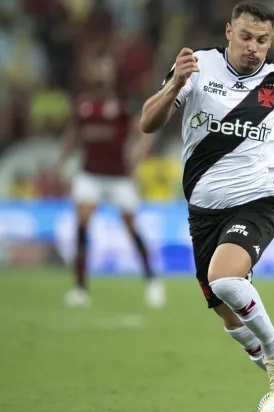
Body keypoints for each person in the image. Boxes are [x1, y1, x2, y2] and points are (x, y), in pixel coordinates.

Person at [138, 1, 274, 405]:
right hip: (204, 211)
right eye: (245, 37)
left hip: (257, 201)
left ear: (270, 40)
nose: (253, 47)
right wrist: (173, 85)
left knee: (226, 279)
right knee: (228, 316)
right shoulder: (198, 66)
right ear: (228, 32)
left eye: (262, 40)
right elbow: (147, 123)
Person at [56, 53, 164, 309]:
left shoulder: (123, 107)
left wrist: (139, 151)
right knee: (82, 225)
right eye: (97, 71)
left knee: (131, 227)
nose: (101, 76)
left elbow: (146, 130)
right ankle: (80, 289)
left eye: (105, 71)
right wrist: (61, 161)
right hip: (90, 174)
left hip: (119, 177)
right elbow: (73, 135)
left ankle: (152, 282)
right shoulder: (83, 107)